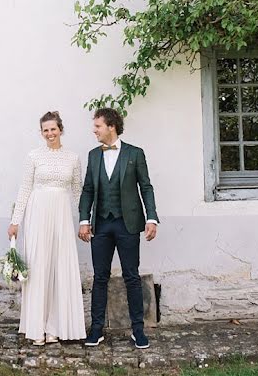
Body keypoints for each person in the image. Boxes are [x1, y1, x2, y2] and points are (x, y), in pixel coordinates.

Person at [78, 107, 159, 349]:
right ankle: (96, 329)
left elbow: (146, 187)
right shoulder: (93, 156)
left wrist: (151, 218)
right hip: (101, 224)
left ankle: (138, 330)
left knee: (131, 276)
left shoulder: (135, 153)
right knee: (100, 277)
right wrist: (84, 220)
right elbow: (88, 190)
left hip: (128, 223)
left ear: (111, 126)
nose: (94, 131)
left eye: (97, 127)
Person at [8, 111, 86, 345]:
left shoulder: (73, 158)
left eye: (53, 129)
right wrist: (15, 221)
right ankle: (36, 327)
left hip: (61, 215)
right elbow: (24, 189)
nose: (50, 133)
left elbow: (78, 192)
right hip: (37, 214)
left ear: (60, 129)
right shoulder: (33, 156)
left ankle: (55, 326)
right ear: (41, 133)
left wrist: (85, 220)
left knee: (59, 267)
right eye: (45, 130)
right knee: (39, 266)